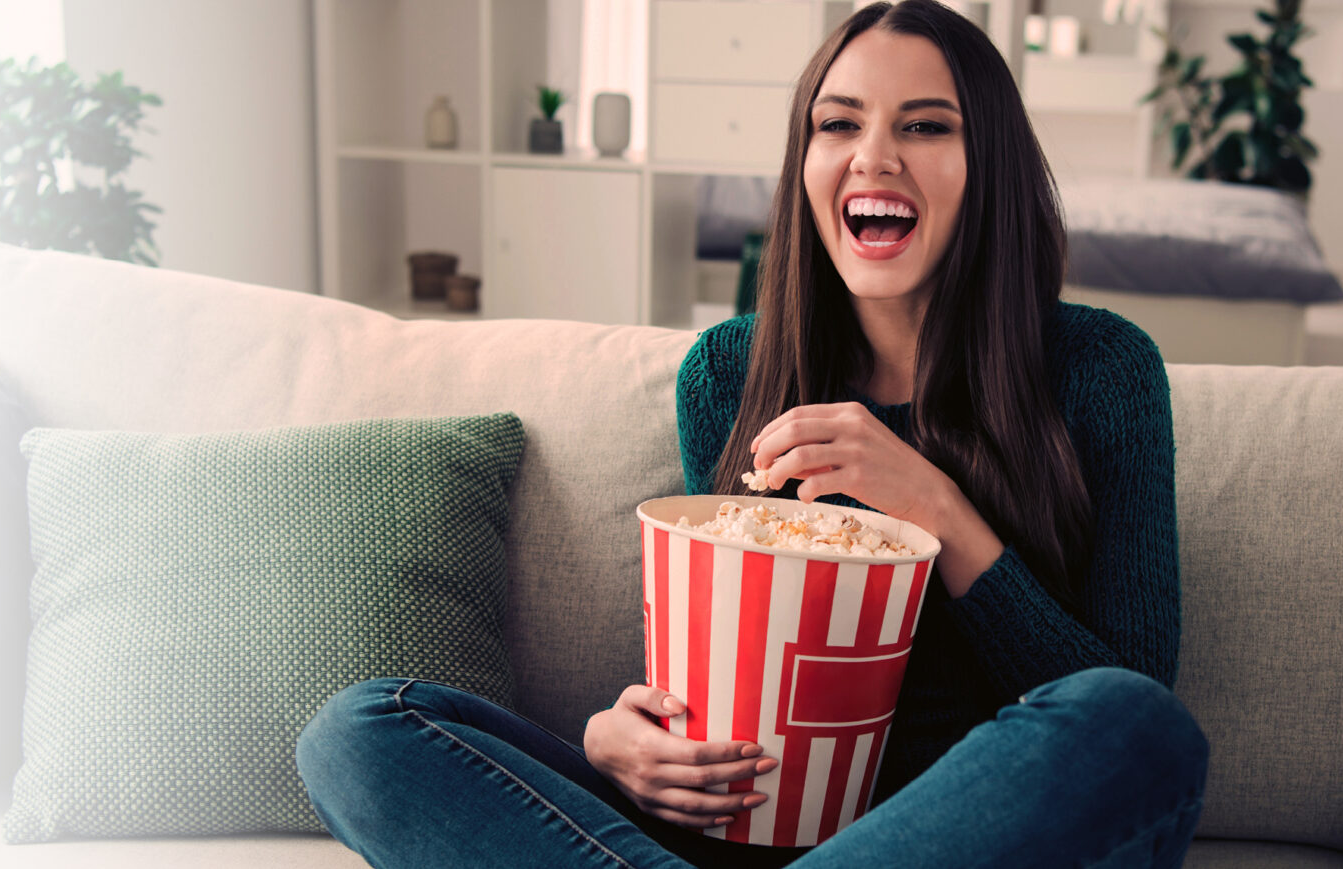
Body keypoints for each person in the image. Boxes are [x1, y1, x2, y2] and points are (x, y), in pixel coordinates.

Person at [294, 2, 1206, 866]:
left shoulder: (1101, 369)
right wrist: (621, 740)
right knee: (361, 730)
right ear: (804, 162)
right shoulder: (730, 373)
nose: (873, 157)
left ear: (992, 165)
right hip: (738, 833)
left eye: (926, 126)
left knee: (1135, 723)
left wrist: (936, 510)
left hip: (969, 836)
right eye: (838, 124)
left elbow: (1123, 699)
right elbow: (728, 681)